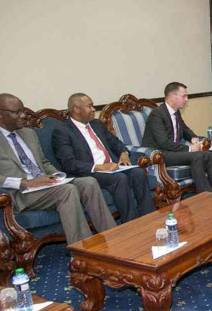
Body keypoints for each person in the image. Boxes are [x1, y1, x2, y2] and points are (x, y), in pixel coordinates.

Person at [0, 93, 116, 245]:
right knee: (67, 191)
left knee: (89, 183)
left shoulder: (28, 133)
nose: (23, 115)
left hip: (45, 184)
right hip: (20, 192)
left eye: (23, 110)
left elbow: (43, 163)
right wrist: (24, 183)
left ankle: (113, 238)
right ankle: (82, 252)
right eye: (17, 112)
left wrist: (57, 176)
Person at [52, 93, 155, 223]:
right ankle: (130, 223)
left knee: (138, 172)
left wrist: (123, 153)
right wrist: (100, 167)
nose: (93, 109)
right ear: (76, 109)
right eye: (89, 106)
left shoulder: (96, 124)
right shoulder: (62, 131)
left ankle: (150, 218)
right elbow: (68, 163)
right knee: (120, 178)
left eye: (93, 106)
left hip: (113, 167)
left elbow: (116, 142)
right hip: (91, 172)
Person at [142, 82, 212, 193]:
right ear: (173, 97)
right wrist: (190, 149)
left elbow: (184, 128)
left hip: (174, 151)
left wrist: (193, 138)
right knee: (197, 156)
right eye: (184, 96)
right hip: (161, 154)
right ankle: (206, 196)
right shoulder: (156, 115)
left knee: (209, 155)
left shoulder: (175, 112)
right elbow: (164, 143)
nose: (186, 99)